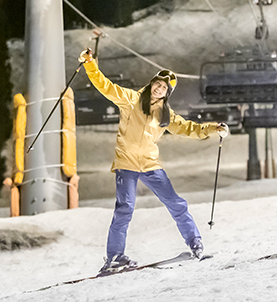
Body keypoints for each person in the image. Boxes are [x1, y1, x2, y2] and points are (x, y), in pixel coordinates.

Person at [79, 48, 229, 273]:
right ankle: (114, 257)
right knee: (124, 209)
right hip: (126, 163)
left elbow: (189, 128)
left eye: (165, 88)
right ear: (152, 83)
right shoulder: (131, 99)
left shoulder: (165, 115)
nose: (160, 89)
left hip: (150, 165)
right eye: (158, 84)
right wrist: (90, 63)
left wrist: (214, 128)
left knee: (176, 204)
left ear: (167, 93)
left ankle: (194, 242)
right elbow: (105, 86)